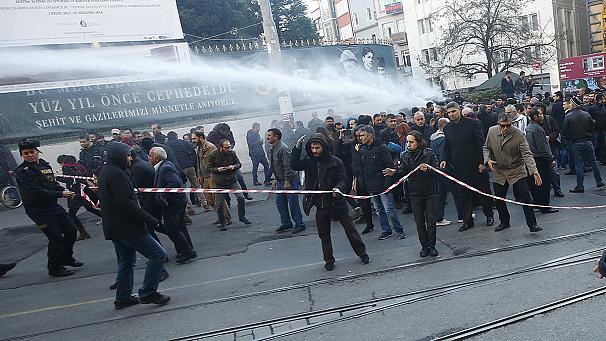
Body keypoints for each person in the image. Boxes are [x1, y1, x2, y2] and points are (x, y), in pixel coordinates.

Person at [97, 141, 170, 309]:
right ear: (119, 157)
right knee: (158, 255)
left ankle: (123, 297)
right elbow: (127, 204)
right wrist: (151, 220)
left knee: (126, 261)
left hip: (115, 227)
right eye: (127, 155)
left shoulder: (108, 171)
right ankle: (148, 292)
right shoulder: (116, 174)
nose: (130, 158)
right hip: (128, 227)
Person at [291, 134, 369, 271]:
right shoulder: (309, 161)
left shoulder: (336, 162)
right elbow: (294, 165)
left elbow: (344, 179)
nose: (314, 151)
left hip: (337, 203)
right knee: (324, 235)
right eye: (312, 148)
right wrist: (297, 147)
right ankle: (329, 260)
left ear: (324, 147)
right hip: (320, 205)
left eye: (317, 147)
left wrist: (338, 188)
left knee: (351, 231)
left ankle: (362, 253)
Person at [14, 139, 83, 277]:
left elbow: (52, 184)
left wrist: (65, 191)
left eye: (32, 152)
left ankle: (66, 258)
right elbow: (36, 191)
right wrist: (60, 194)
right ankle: (54, 267)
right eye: (26, 153)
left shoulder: (44, 165)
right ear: (22, 155)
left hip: (53, 206)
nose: (30, 155)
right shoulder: (23, 171)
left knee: (70, 230)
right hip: (38, 210)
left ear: (37, 152)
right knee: (55, 237)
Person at [484, 114, 543, 233]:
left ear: (512, 124)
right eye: (503, 126)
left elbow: (527, 154)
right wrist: (487, 159)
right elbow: (486, 147)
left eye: (508, 125)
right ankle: (504, 222)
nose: (505, 128)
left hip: (517, 170)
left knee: (525, 197)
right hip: (499, 171)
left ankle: (532, 224)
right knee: (499, 198)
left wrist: (534, 171)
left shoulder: (519, 134)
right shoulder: (491, 131)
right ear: (498, 124)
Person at [384, 131, 439, 257]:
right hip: (414, 194)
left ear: (418, 142)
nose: (408, 144)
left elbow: (437, 172)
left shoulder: (428, 153)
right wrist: (395, 172)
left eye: (411, 141)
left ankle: (432, 246)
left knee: (431, 222)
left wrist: (429, 169)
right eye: (407, 141)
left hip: (430, 192)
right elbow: (403, 172)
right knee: (419, 223)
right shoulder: (404, 155)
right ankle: (424, 247)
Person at [441, 102, 494, 232]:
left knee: (483, 192)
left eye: (453, 111)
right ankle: (467, 220)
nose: (451, 114)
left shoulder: (473, 123)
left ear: (459, 110)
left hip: (476, 165)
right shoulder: (447, 128)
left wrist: (483, 162)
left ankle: (489, 215)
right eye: (449, 112)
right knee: (463, 195)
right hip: (459, 167)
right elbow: (447, 145)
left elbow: (481, 144)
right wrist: (444, 159)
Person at [354, 126, 406, 240]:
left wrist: (387, 185)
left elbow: (389, 166)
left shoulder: (382, 148)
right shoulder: (362, 149)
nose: (360, 138)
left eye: (362, 135)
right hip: (370, 186)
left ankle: (399, 230)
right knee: (379, 210)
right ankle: (386, 230)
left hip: (382, 185)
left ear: (370, 135)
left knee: (389, 209)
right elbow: (360, 167)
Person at [149, 147, 197, 264]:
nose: (148, 158)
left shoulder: (165, 168)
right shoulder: (165, 165)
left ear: (156, 158)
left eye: (150, 156)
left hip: (173, 203)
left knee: (172, 228)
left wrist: (163, 195)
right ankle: (185, 250)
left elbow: (175, 183)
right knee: (180, 227)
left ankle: (187, 251)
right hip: (176, 202)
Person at [207, 139, 252, 230]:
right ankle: (223, 222)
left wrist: (233, 167)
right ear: (220, 147)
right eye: (227, 147)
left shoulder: (232, 153)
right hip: (219, 182)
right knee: (219, 204)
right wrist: (218, 169)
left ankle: (242, 217)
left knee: (241, 198)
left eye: (229, 147)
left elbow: (239, 164)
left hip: (232, 180)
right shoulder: (212, 155)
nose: (229, 149)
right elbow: (209, 168)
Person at [267, 128, 305, 234]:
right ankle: (287, 223)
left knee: (293, 203)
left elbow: (288, 166)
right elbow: (276, 166)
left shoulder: (283, 148)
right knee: (280, 203)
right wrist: (275, 179)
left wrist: (287, 181)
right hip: (280, 181)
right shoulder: (273, 148)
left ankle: (299, 224)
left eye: (269, 135)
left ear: (276, 137)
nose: (267, 137)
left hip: (289, 180)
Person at [563, 97, 605, 193]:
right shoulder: (586, 115)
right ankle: (599, 181)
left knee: (578, 165)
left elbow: (565, 131)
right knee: (593, 162)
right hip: (587, 141)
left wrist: (569, 139)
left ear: (573, 105)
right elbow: (592, 127)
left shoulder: (569, 116)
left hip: (576, 142)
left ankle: (580, 186)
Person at [56, 155, 102, 240]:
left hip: (75, 192)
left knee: (72, 214)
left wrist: (58, 178)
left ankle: (83, 232)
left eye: (60, 163)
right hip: (83, 189)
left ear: (63, 162)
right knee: (90, 207)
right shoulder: (78, 166)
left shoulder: (66, 168)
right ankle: (107, 218)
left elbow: (70, 180)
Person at [430, 118, 462, 226]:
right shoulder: (443, 139)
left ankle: (439, 217)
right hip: (445, 170)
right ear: (444, 126)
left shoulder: (433, 138)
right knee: (456, 192)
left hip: (438, 171)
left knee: (442, 195)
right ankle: (462, 215)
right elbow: (444, 155)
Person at [526, 108, 558, 214]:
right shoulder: (537, 129)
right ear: (535, 117)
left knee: (537, 184)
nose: (542, 116)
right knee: (545, 184)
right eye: (540, 114)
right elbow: (542, 147)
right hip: (541, 159)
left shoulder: (529, 127)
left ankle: (537, 203)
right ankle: (544, 206)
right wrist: (550, 158)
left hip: (534, 158)